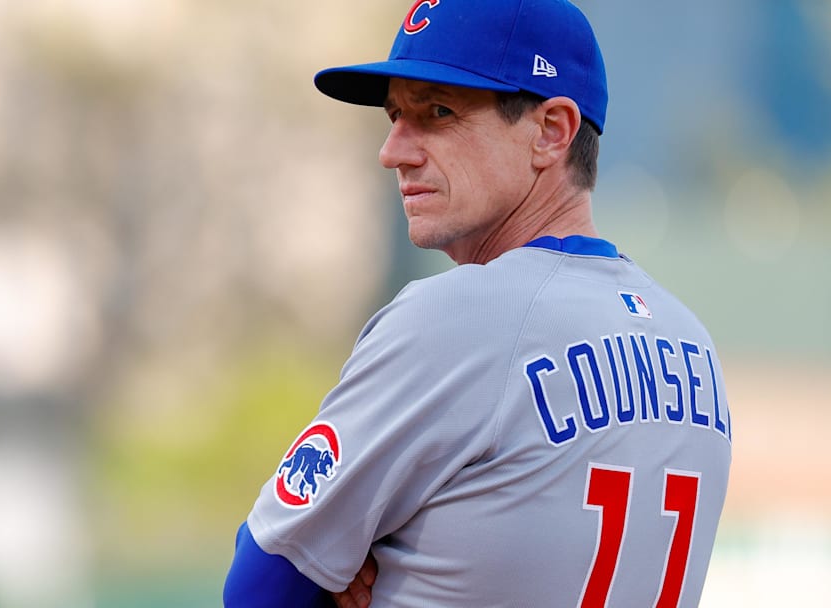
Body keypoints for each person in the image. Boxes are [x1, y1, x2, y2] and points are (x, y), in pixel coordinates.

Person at [223, 0, 732, 606]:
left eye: (438, 112)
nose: (394, 151)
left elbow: (259, 585)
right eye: (394, 116)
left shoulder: (454, 317)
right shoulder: (692, 343)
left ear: (551, 131)